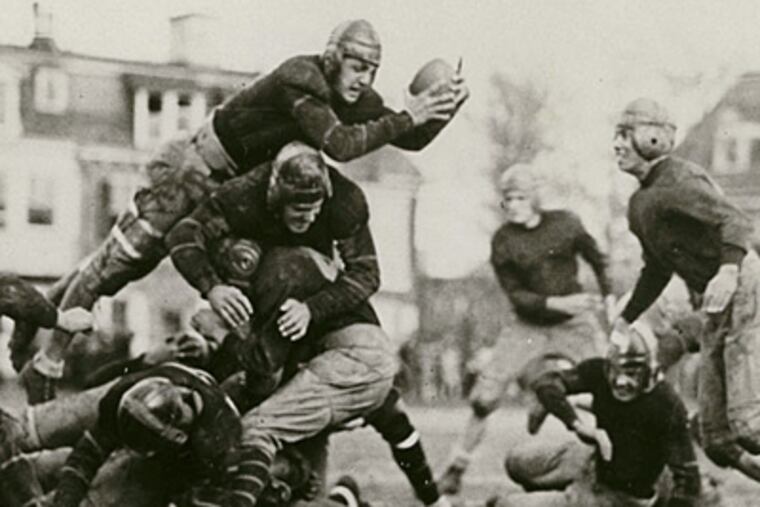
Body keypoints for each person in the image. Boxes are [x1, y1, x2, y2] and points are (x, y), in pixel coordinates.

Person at [13, 18, 469, 404]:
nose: (364, 79)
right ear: (333, 58)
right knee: (118, 266)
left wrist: (442, 109)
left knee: (239, 263)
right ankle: (47, 362)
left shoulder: (348, 93)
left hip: (234, 189)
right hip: (193, 171)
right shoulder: (302, 77)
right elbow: (340, 145)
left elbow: (407, 137)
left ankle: (34, 316)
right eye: (358, 66)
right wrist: (409, 115)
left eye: (372, 70)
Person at [439, 163, 614, 494]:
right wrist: (559, 303)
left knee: (610, 387)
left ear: (534, 197)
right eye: (508, 198)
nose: (514, 205)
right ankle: (456, 468)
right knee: (484, 398)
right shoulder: (503, 240)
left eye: (520, 197)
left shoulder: (565, 223)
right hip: (527, 325)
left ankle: (611, 461)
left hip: (574, 323)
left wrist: (610, 298)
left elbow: (598, 260)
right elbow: (517, 296)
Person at [611, 98, 760, 481]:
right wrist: (626, 318)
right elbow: (657, 268)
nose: (618, 144)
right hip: (716, 301)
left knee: (750, 424)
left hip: (743, 285)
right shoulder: (640, 204)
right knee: (716, 438)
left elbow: (737, 221)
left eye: (626, 134)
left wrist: (727, 270)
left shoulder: (679, 180)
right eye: (617, 135)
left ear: (653, 137)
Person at [493, 321, 701, 507]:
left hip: (619, 494)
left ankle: (562, 496)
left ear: (650, 370)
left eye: (632, 372)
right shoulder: (599, 371)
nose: (621, 381)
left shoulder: (667, 404)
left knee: (504, 505)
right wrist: (576, 424)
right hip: (593, 461)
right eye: (616, 370)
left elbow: (689, 481)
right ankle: (559, 491)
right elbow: (547, 382)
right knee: (516, 460)